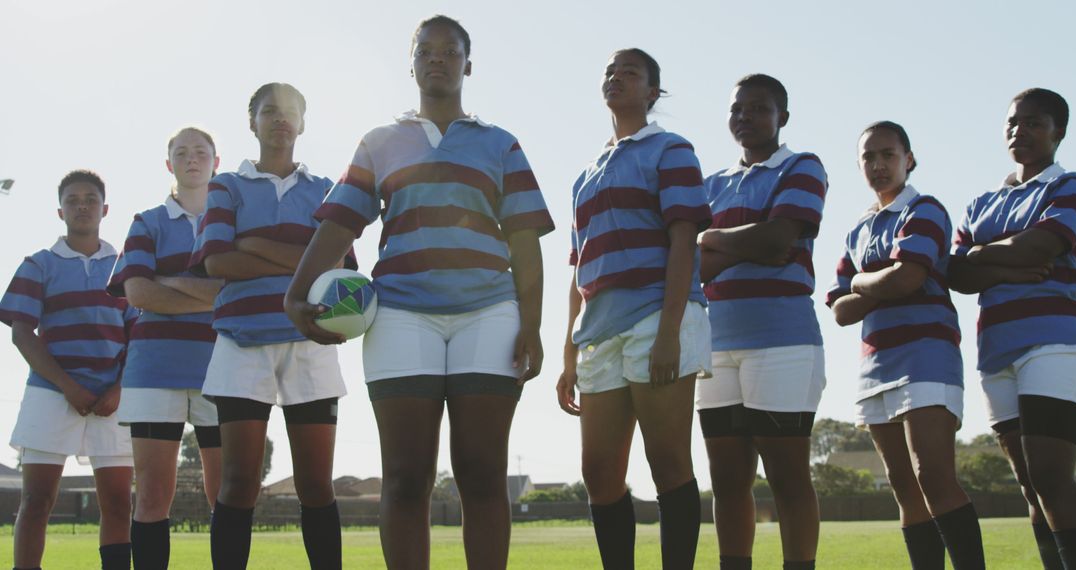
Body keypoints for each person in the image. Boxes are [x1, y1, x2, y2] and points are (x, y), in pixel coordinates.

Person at [284, 15, 553, 569]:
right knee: (406, 477)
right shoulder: (379, 142)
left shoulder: (500, 143)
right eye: (425, 50)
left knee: (481, 471)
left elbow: (525, 242)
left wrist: (533, 324)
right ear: (410, 63)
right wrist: (296, 293)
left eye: (450, 51)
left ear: (468, 65)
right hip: (401, 314)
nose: (437, 58)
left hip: (489, 314)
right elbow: (339, 224)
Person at [554, 47, 711, 570]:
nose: (616, 77)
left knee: (667, 463)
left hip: (657, 318)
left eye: (631, 72)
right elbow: (579, 270)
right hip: (598, 331)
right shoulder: (584, 175)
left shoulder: (671, 149)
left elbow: (685, 240)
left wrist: (670, 331)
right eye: (610, 71)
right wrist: (568, 354)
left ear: (653, 92)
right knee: (599, 472)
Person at [188, 83, 352, 570]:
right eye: (269, 111)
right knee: (238, 482)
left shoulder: (325, 189)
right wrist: (303, 260)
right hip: (242, 343)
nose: (280, 119)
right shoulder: (227, 186)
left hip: (311, 341)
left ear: (302, 124)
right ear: (252, 122)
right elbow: (217, 261)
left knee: (317, 485)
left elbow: (337, 264)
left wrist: (253, 244)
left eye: (290, 112)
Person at [828, 121, 984, 569]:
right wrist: (878, 282)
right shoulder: (857, 229)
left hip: (927, 357)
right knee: (903, 487)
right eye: (868, 158)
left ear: (908, 159)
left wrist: (861, 280)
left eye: (888, 155)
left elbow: (908, 277)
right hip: (874, 366)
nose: (878, 165)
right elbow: (839, 310)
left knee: (932, 476)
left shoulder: (926, 209)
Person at [696, 74, 826, 570]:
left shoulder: (802, 166)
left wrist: (716, 238)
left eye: (758, 108)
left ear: (782, 117)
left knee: (788, 477)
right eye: (737, 110)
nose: (745, 117)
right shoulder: (711, 185)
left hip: (782, 341)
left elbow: (778, 242)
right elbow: (697, 267)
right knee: (727, 481)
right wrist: (739, 242)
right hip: (716, 343)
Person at [949, 88, 1076, 570]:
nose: (1018, 131)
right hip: (995, 350)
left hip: (1055, 343)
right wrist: (1002, 262)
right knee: (1029, 482)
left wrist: (983, 255)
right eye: (1011, 123)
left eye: (1033, 122)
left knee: (1050, 473)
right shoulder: (982, 201)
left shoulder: (1068, 185)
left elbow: (1043, 246)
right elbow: (955, 273)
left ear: (1058, 131)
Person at [1, 170, 136, 570]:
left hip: (113, 395)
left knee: (116, 503)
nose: (82, 206)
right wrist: (67, 386)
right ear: (60, 211)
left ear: (104, 209)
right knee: (37, 500)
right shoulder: (38, 264)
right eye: (73, 200)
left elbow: (140, 335)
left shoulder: (127, 266)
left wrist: (120, 389)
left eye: (90, 199)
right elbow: (22, 333)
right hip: (50, 392)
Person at [107, 127, 224, 570]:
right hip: (154, 371)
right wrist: (208, 292)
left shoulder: (230, 221)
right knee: (153, 496)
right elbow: (137, 293)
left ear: (216, 161)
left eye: (201, 152)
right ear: (168, 163)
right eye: (181, 152)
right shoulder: (147, 221)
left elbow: (235, 291)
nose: (191, 158)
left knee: (226, 496)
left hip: (221, 369)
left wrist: (170, 281)